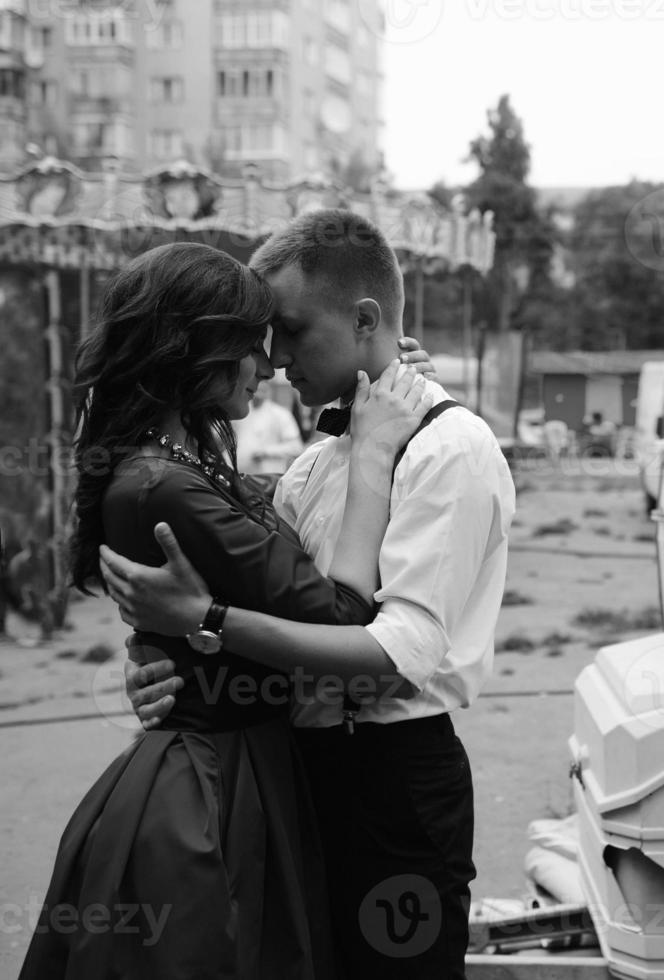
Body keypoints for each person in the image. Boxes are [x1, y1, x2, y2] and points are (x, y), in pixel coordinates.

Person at [105, 209, 517, 980]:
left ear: (365, 319)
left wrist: (209, 623)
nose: (273, 355)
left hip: (391, 784)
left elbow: (393, 659)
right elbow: (278, 597)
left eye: (291, 330)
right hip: (299, 766)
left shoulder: (448, 448)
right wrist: (168, 657)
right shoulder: (320, 458)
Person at [20, 241, 430, 979]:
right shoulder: (164, 487)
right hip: (213, 792)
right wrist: (370, 453)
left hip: (226, 767)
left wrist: (378, 385)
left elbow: (269, 548)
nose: (270, 363)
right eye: (251, 343)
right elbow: (340, 616)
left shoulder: (177, 468)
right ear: (197, 350)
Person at [233, 378, 304, 473]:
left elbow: (295, 447)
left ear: (268, 390)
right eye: (255, 389)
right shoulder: (240, 412)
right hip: (238, 475)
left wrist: (265, 452)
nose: (258, 393)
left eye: (262, 390)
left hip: (266, 480)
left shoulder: (280, 414)